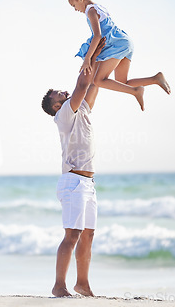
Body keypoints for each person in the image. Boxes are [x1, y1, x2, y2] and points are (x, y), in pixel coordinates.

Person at [41, 37, 106, 297]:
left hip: (88, 183)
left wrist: (99, 57)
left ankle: (83, 283)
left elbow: (93, 85)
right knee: (72, 235)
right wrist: (88, 56)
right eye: (60, 94)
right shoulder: (64, 114)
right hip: (73, 182)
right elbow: (81, 83)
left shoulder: (81, 111)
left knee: (88, 235)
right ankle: (59, 285)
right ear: (56, 106)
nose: (64, 93)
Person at [60, 0, 171, 111]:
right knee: (122, 81)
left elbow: (97, 35)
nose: (75, 9)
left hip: (117, 44)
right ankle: (155, 79)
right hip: (125, 42)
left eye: (74, 5)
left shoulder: (90, 11)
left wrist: (88, 58)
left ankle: (136, 91)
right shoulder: (99, 7)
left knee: (98, 80)